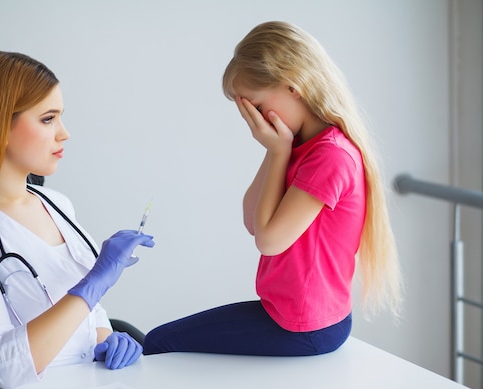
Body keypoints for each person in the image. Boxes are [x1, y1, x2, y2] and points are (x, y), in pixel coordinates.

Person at [143, 21, 402, 357]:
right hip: (288, 315)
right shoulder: (302, 147)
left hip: (307, 327)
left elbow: (268, 240)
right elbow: (253, 219)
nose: (258, 121)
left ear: (293, 87)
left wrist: (279, 151)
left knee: (160, 342)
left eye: (258, 107)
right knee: (162, 341)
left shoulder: (331, 156)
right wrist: (275, 150)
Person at [0, 51, 155, 389]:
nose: (64, 133)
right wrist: (94, 282)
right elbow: (0, 365)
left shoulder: (58, 204)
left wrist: (104, 338)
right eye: (48, 119)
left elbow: (89, 313)